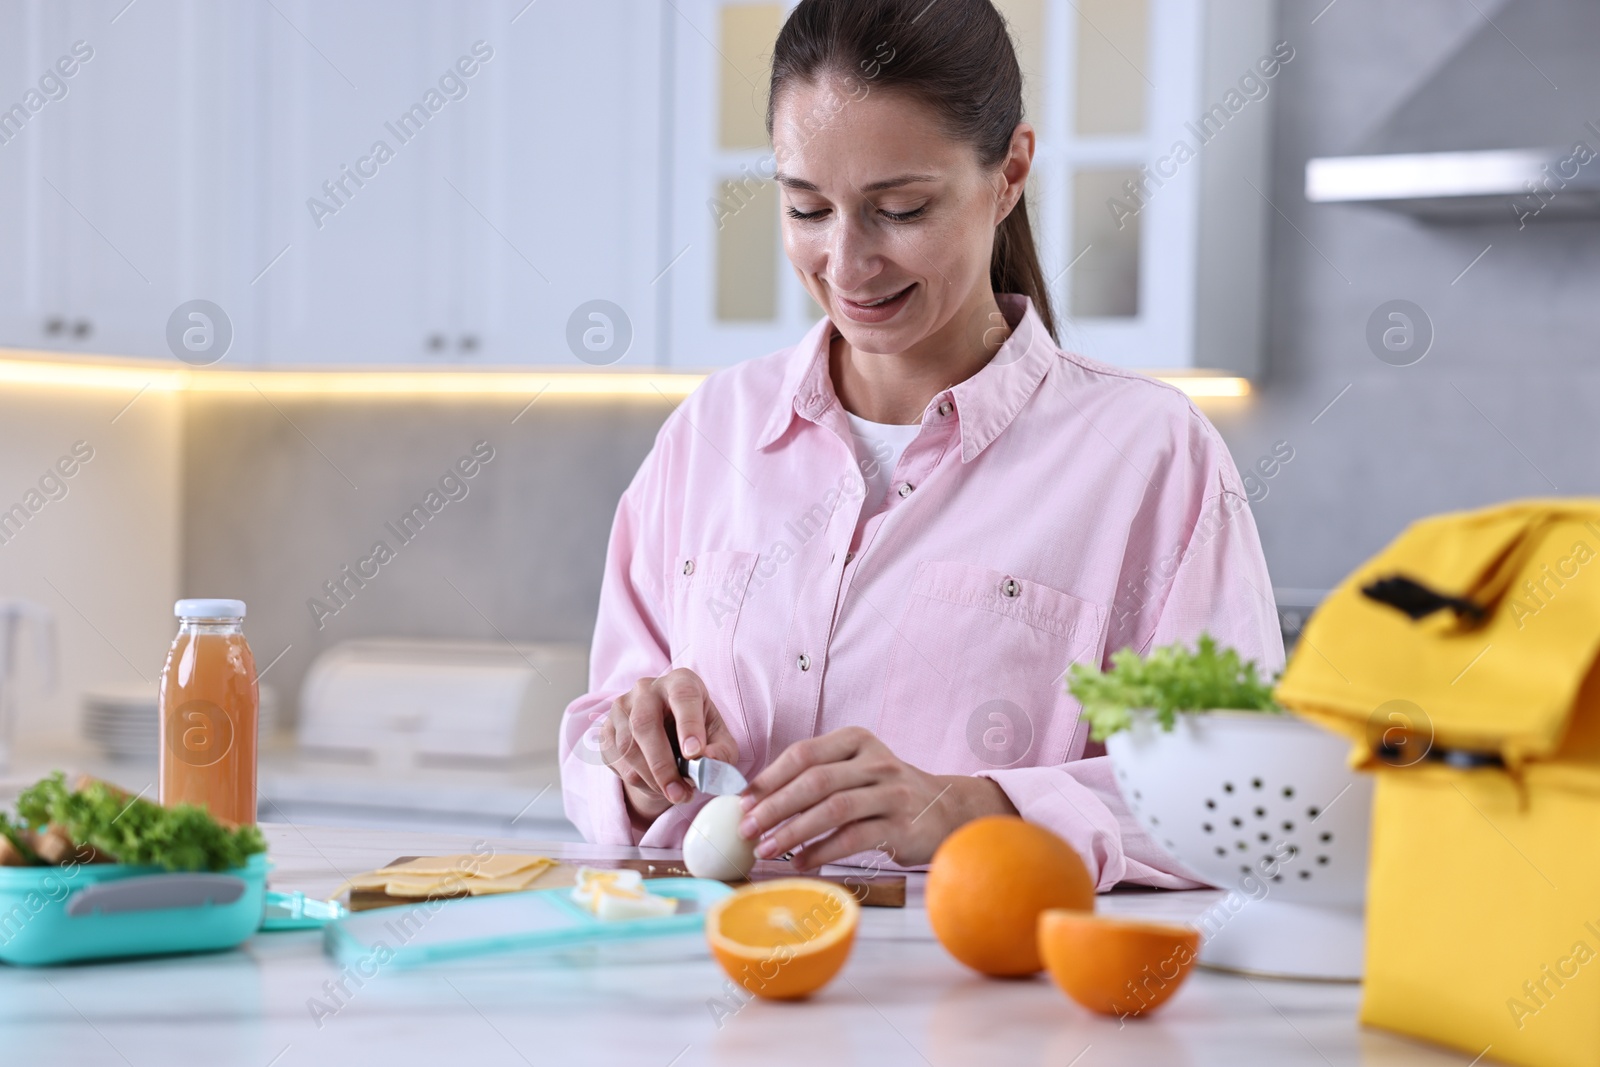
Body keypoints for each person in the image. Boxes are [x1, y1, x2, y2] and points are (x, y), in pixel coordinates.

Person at [559, 0, 1283, 890]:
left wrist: (969, 808)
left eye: (900, 209)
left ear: (1010, 171)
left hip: (991, 1007)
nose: (847, 262)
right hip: (709, 993)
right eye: (807, 207)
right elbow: (598, 735)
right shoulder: (710, 434)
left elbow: (1242, 802)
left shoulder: (1150, 456)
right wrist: (631, 758)